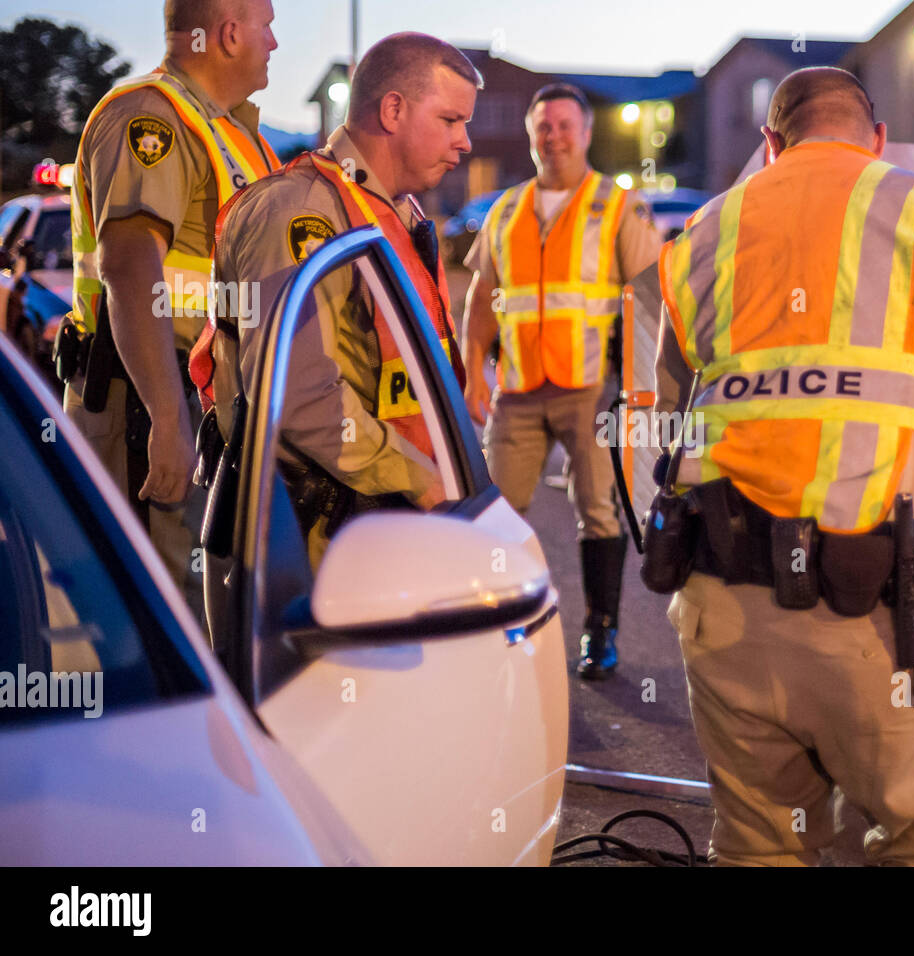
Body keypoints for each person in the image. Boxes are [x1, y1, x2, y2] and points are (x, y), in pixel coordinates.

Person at [652, 66, 914, 866]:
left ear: (771, 142)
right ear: (879, 137)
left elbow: (666, 420)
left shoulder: (701, 234)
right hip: (880, 609)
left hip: (724, 603)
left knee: (759, 843)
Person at [194, 32, 478, 580]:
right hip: (314, 543)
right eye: (450, 120)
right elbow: (300, 398)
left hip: (384, 522)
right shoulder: (299, 212)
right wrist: (427, 482)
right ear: (393, 109)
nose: (464, 142)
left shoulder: (398, 212)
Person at [58, 0, 280, 603]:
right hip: (144, 407)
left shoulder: (234, 133)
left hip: (200, 407)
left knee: (198, 615)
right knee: (150, 615)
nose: (276, 43)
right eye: (268, 27)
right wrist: (165, 420)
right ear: (229, 34)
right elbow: (130, 268)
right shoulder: (151, 117)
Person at [461, 83, 661, 679]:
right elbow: (481, 298)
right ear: (530, 134)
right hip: (518, 389)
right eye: (543, 126)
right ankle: (501, 621)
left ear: (587, 133)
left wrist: (640, 391)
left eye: (565, 125)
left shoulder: (618, 206)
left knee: (599, 509)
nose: (554, 137)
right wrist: (473, 369)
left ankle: (600, 633)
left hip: (591, 388)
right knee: (497, 514)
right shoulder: (504, 210)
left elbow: (649, 302)